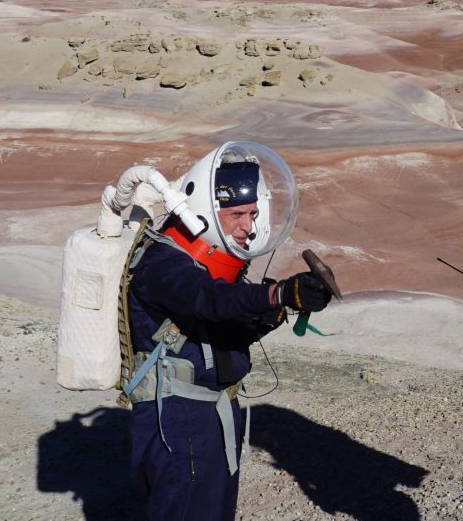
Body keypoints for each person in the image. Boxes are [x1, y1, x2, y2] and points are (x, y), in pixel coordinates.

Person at [124, 157, 333, 521]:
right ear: (206, 207)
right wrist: (277, 294)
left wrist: (282, 307)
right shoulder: (165, 264)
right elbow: (211, 300)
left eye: (252, 214)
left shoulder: (201, 263)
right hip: (178, 417)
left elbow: (222, 329)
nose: (247, 226)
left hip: (209, 413)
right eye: (237, 214)